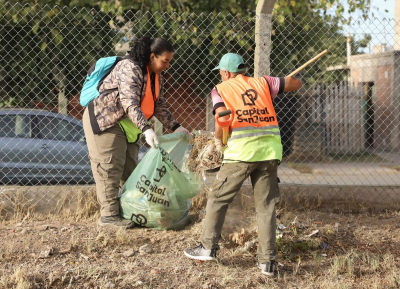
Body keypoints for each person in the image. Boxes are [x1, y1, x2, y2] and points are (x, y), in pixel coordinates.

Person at [184, 53, 302, 276]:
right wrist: (283, 81)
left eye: (220, 72)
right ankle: (267, 263)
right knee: (266, 206)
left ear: (226, 73)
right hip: (269, 152)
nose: (220, 75)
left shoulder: (220, 89)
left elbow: (222, 117)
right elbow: (296, 83)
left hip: (241, 153)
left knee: (218, 198)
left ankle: (208, 247)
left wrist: (219, 141)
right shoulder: (264, 83)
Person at [83, 37, 189, 229]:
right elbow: (129, 102)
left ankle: (132, 212)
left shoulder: (156, 75)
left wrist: (176, 127)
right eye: (164, 61)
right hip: (106, 121)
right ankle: (109, 217)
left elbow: (158, 105)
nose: (167, 66)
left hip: (130, 127)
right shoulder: (130, 68)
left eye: (169, 61)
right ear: (152, 56)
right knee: (110, 169)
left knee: (132, 173)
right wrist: (147, 129)